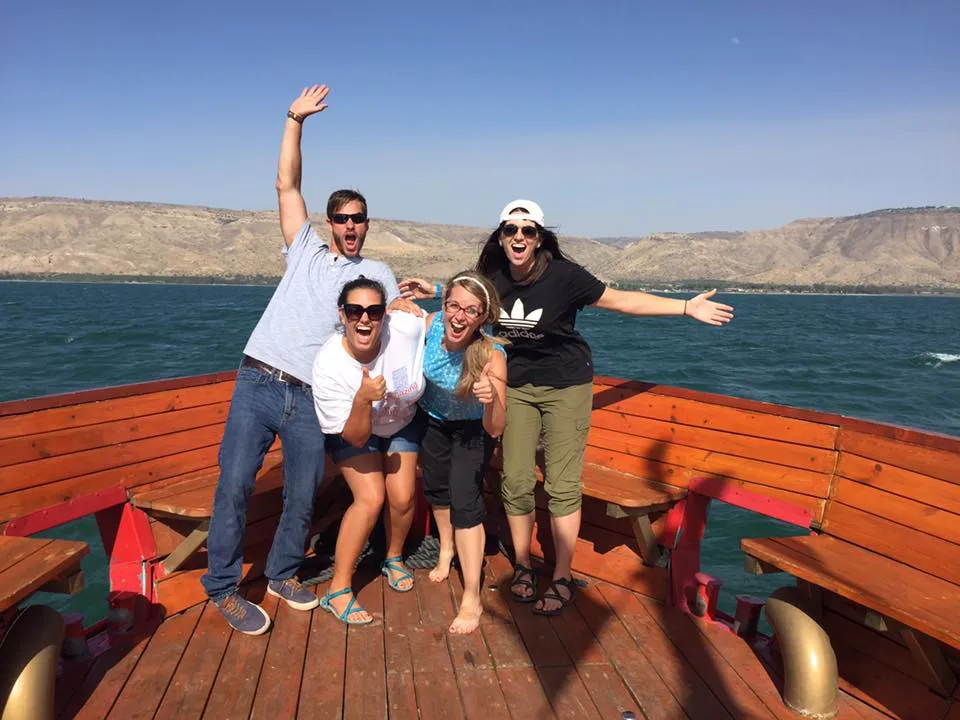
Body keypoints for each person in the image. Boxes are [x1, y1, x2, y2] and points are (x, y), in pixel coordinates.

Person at [401, 199, 733, 616]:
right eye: (510, 230)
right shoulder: (493, 275)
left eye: (528, 230)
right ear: (500, 237)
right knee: (516, 480)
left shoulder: (564, 275)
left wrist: (685, 307)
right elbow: (472, 300)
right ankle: (522, 566)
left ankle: (561, 576)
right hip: (515, 384)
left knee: (560, 485)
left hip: (566, 385)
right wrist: (430, 293)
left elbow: (622, 301)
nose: (518, 237)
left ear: (540, 238)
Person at [200, 84, 401, 635]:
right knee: (235, 482)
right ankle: (220, 586)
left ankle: (283, 573)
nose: (350, 226)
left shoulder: (379, 274)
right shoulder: (305, 248)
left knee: (303, 490)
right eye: (341, 218)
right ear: (330, 223)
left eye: (358, 218)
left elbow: (398, 323)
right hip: (260, 379)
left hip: (314, 396)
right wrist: (294, 119)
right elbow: (287, 183)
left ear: (367, 221)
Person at [311, 278, 426, 624]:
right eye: (355, 310)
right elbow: (355, 438)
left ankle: (392, 557)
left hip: (402, 423)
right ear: (341, 314)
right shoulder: (329, 366)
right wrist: (363, 398)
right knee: (371, 498)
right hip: (356, 430)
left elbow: (449, 319)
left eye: (374, 311)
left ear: (384, 315)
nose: (364, 319)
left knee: (403, 497)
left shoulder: (401, 327)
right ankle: (338, 589)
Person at [417, 272, 507, 634]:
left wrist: (492, 399)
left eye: (471, 310)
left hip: (473, 428)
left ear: (482, 317)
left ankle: (472, 596)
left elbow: (496, 427)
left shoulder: (491, 356)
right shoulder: (431, 325)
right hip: (433, 419)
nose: (460, 316)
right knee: (437, 488)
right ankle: (445, 551)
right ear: (443, 306)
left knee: (465, 499)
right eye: (454, 305)